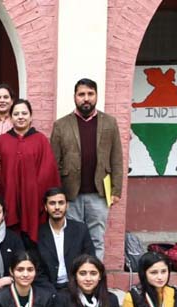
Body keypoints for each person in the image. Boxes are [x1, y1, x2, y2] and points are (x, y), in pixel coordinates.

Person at [50, 78, 123, 259]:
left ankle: (95, 275)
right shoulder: (61, 125)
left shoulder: (109, 123)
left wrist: (116, 191)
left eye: (90, 94)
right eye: (81, 94)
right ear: (74, 97)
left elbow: (116, 158)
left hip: (99, 194)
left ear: (96, 96)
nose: (86, 98)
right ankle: (73, 275)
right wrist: (57, 194)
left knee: (96, 239)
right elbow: (53, 162)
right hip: (70, 195)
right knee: (72, 239)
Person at [0, 99, 60, 243]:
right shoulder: (2, 141)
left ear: (31, 117)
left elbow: (48, 170)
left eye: (24, 113)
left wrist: (35, 191)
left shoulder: (41, 140)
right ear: (11, 117)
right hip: (9, 197)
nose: (20, 117)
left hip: (33, 200)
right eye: (16, 114)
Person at [36, 187, 95, 290]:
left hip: (76, 287)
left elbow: (89, 259)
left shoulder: (80, 230)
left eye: (61, 203)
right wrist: (51, 292)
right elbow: (37, 269)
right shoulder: (38, 233)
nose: (57, 207)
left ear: (67, 205)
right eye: (52, 203)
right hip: (48, 289)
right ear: (45, 207)